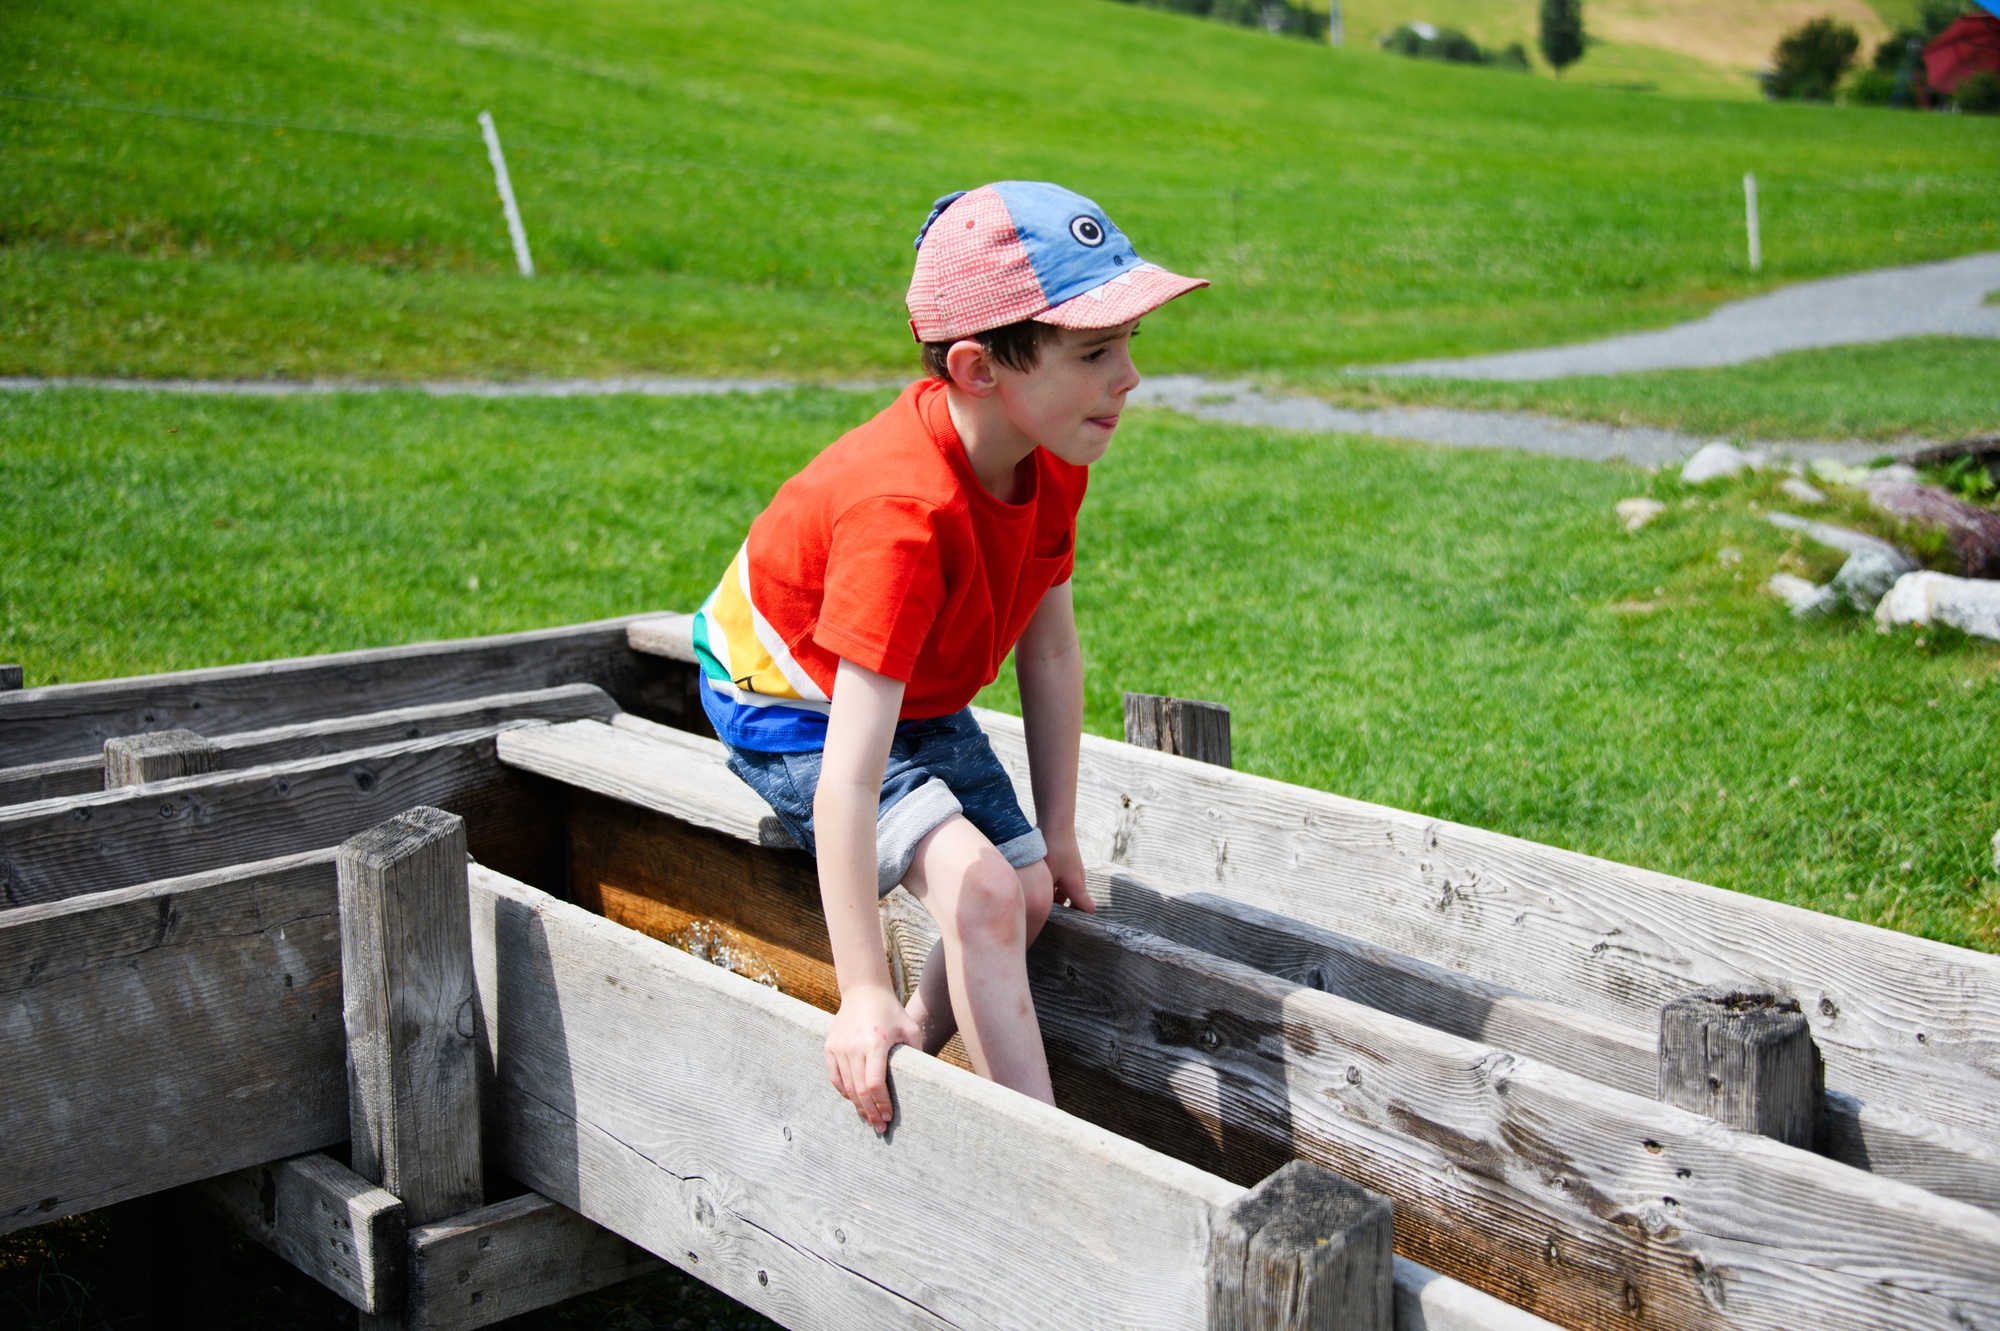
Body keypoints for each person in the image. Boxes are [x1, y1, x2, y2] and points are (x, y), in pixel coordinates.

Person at [690, 182, 1205, 1132]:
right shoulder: (903, 518)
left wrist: (1058, 832)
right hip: (794, 700)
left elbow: (1051, 652)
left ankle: (917, 1047)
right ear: (977, 367)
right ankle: (1040, 1151)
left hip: (907, 688)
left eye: (1130, 343)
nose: (1130, 376)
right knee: (981, 891)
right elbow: (848, 777)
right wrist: (859, 988)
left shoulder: (1051, 460)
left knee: (1028, 891)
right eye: (1096, 352)